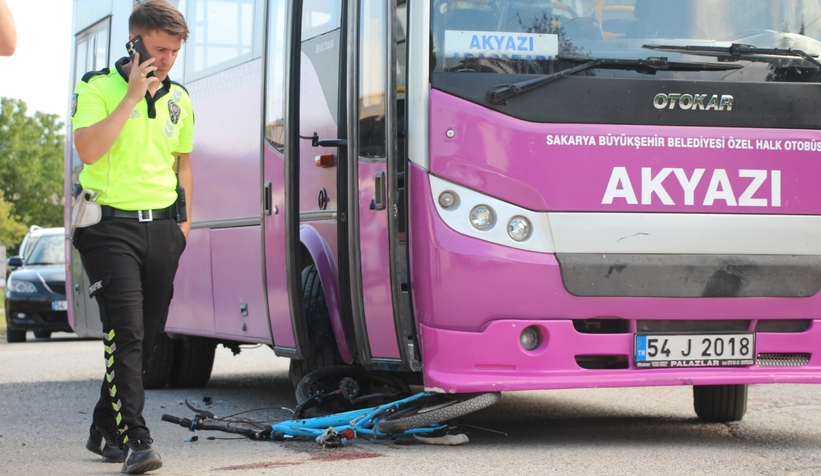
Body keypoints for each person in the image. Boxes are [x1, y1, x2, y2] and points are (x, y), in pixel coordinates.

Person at [70, 1, 192, 474]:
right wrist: (131, 97)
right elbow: (88, 150)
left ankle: (104, 425)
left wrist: (183, 225)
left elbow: (183, 164)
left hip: (162, 228)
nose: (167, 59)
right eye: (159, 49)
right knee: (126, 332)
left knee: (150, 335)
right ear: (134, 41)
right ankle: (136, 441)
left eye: (175, 51)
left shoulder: (181, 98)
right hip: (107, 227)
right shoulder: (96, 86)